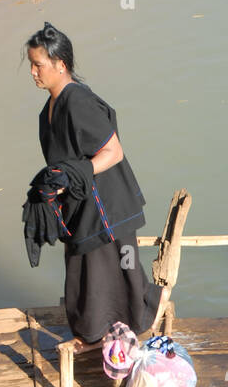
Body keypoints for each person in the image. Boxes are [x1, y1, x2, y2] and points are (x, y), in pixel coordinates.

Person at [25, 23, 169, 347]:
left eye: (39, 65)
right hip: (81, 203)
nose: (33, 72)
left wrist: (74, 174)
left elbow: (113, 151)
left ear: (60, 65)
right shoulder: (45, 113)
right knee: (83, 273)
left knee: (120, 270)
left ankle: (154, 301)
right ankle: (94, 331)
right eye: (31, 64)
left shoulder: (78, 102)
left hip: (106, 201)